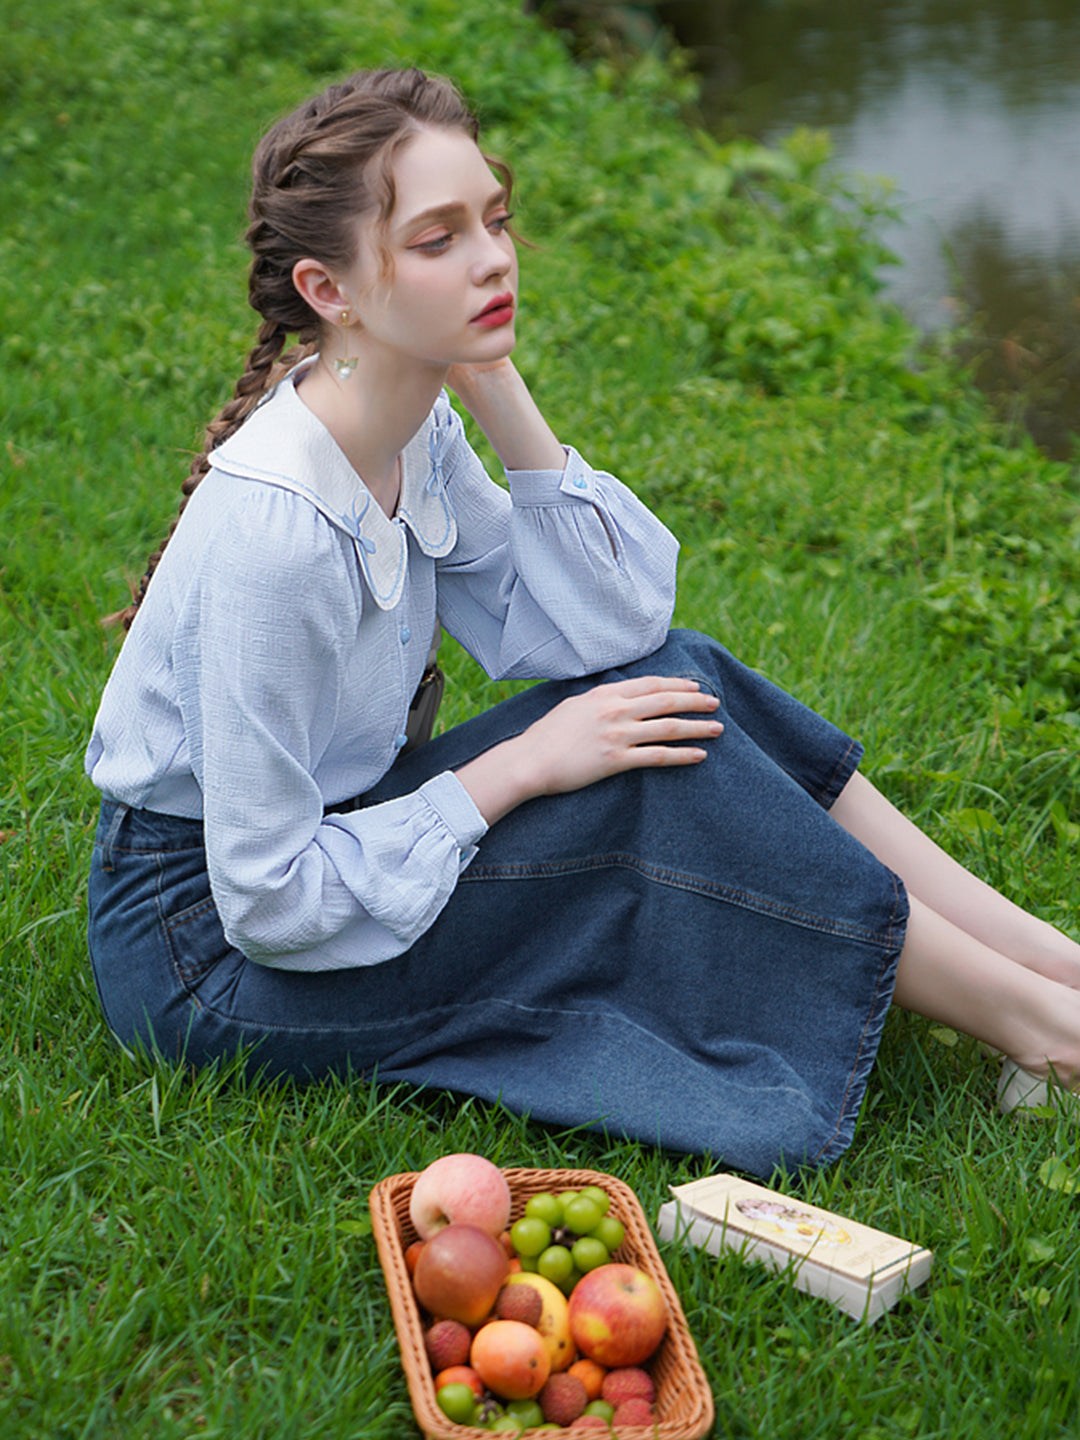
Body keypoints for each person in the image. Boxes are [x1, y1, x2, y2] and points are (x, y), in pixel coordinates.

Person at [85, 68, 1080, 1179]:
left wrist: (495, 384)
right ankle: (1045, 1029)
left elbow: (614, 625)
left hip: (326, 844)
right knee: (654, 766)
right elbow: (268, 898)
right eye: (437, 239)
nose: (493, 257)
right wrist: (519, 769)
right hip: (207, 959)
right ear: (331, 288)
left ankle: (1050, 967)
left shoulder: (406, 429)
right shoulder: (278, 534)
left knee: (672, 677)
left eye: (495, 220)